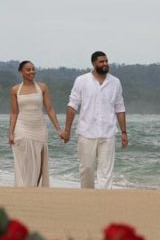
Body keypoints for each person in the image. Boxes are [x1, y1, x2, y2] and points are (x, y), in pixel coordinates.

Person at [62, 51, 127, 189]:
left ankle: (104, 199)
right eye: (101, 62)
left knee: (106, 171)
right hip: (86, 132)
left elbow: (120, 108)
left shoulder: (115, 82)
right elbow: (72, 106)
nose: (105, 64)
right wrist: (67, 130)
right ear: (93, 63)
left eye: (106, 61)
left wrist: (124, 132)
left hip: (108, 132)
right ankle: (87, 196)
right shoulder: (82, 81)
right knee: (87, 168)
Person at [9, 60, 63, 187]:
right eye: (28, 69)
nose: (32, 72)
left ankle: (34, 186)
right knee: (25, 159)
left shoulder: (42, 87)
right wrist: (10, 133)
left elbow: (49, 109)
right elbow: (14, 112)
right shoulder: (15, 89)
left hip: (39, 127)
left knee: (39, 160)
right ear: (21, 72)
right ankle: (23, 186)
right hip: (22, 127)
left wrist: (58, 129)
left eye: (33, 69)